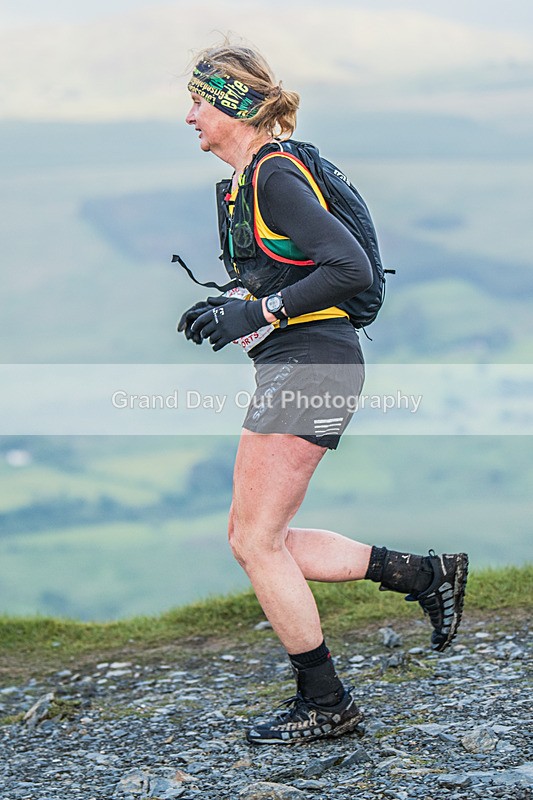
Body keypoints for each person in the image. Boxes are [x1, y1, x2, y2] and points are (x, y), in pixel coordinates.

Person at [178, 41, 468, 745]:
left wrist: (262, 312)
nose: (189, 117)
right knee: (257, 539)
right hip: (303, 361)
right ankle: (423, 575)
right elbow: (292, 269)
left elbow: (349, 266)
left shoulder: (274, 175)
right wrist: (235, 302)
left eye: (199, 102)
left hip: (309, 364)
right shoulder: (253, 178)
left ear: (234, 108)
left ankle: (326, 701)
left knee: (254, 540)